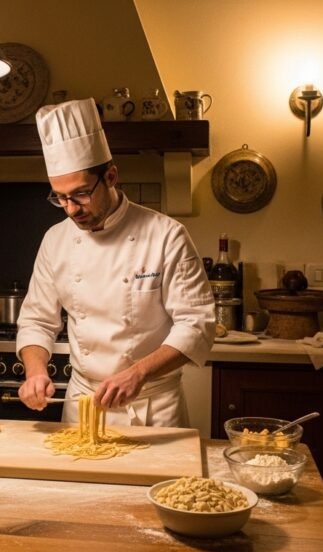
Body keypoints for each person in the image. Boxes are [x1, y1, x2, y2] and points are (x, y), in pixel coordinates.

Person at [16, 99, 215, 427]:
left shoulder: (166, 235)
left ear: (110, 176)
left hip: (153, 408)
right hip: (82, 404)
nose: (71, 209)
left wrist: (138, 372)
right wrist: (35, 372)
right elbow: (37, 320)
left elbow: (197, 324)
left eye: (81, 194)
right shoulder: (55, 240)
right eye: (60, 198)